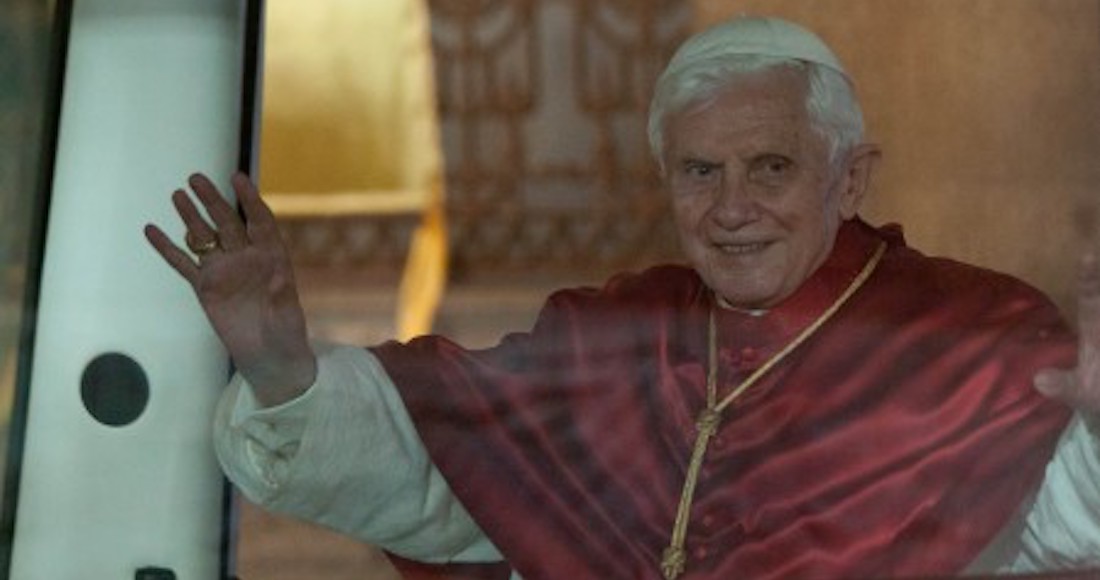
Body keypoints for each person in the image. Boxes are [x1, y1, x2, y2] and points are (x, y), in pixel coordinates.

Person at [144, 16, 1100, 580]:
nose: (731, 208)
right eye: (699, 172)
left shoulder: (969, 333)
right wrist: (282, 368)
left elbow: (1056, 526)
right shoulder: (612, 329)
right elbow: (443, 479)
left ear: (850, 180)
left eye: (771, 167)